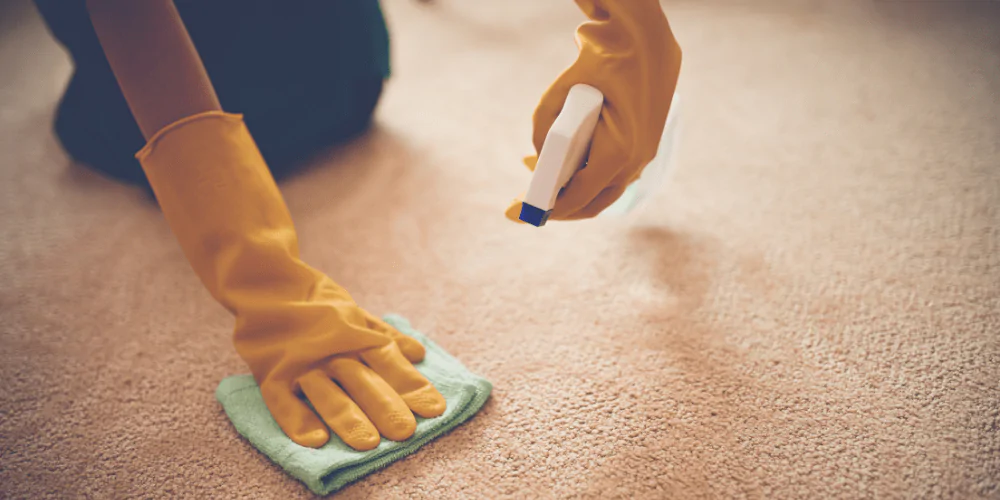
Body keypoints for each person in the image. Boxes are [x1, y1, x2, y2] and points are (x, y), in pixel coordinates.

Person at [39, 0, 682, 450]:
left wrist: (625, 21)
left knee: (329, 75)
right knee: (120, 120)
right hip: (191, 54)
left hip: (344, 71)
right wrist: (263, 278)